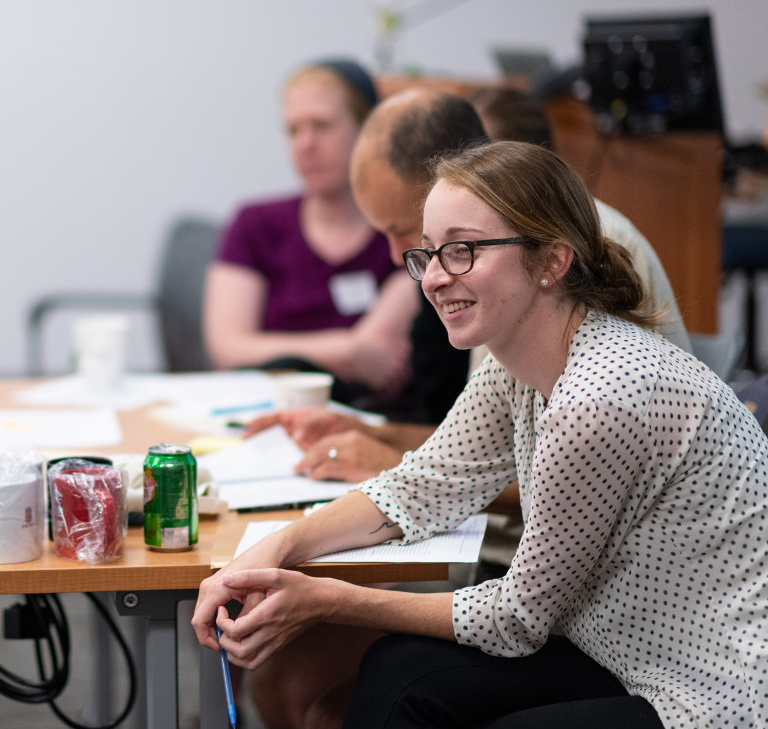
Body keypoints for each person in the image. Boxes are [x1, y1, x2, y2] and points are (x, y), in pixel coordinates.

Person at [193, 141, 768, 729]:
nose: (436, 275)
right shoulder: (516, 357)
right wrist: (277, 548)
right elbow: (420, 487)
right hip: (623, 643)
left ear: (551, 260)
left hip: (717, 691)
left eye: (463, 250)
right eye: (429, 253)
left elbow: (518, 620)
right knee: (397, 672)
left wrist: (326, 597)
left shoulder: (597, 400)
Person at [245, 87, 691, 483]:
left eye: (404, 229)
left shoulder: (558, 256)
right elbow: (480, 450)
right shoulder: (494, 292)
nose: (399, 257)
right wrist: (366, 432)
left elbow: (563, 483)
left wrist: (387, 463)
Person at [203, 59, 418, 406]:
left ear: (368, 131)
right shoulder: (254, 224)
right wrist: (345, 351)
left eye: (321, 125)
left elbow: (380, 362)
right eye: (293, 130)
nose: (306, 144)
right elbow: (227, 350)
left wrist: (280, 353)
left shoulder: (404, 232)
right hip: (258, 414)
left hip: (365, 423)